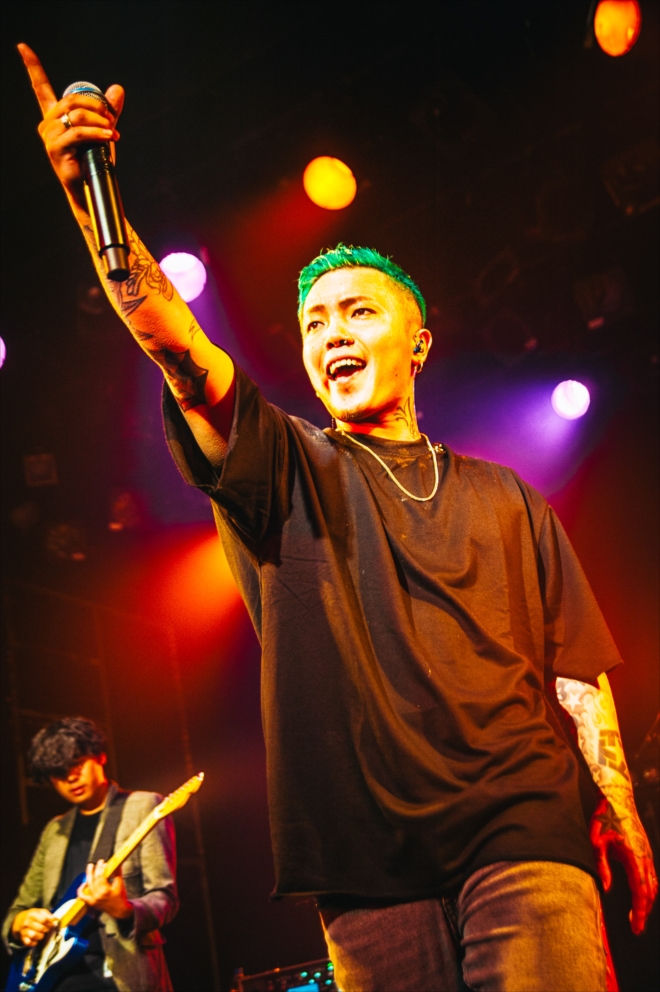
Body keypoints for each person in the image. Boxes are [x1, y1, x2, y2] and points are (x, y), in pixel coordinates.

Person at [17, 44, 657, 992]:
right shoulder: (283, 464)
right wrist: (92, 200)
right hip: (362, 860)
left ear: (418, 344)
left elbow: (575, 672)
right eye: (314, 322)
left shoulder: (510, 496)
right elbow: (177, 347)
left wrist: (620, 806)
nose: (331, 335)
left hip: (524, 830)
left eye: (357, 313)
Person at [2, 718, 178, 992]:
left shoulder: (144, 807)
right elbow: (19, 908)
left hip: (120, 976)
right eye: (58, 772)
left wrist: (123, 909)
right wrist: (20, 924)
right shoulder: (54, 830)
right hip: (54, 980)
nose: (70, 777)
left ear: (100, 756)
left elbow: (165, 898)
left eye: (77, 764)